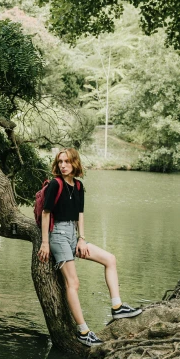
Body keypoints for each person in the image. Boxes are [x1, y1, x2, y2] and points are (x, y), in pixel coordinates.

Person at [37, 147, 142, 346]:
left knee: (110, 259)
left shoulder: (78, 186)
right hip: (58, 235)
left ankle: (117, 306)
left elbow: (80, 215)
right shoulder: (55, 184)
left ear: (74, 163)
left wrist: (81, 239)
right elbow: (46, 213)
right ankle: (84, 332)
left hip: (74, 236)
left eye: (67, 161)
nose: (63, 165)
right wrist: (45, 243)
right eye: (60, 162)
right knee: (73, 283)